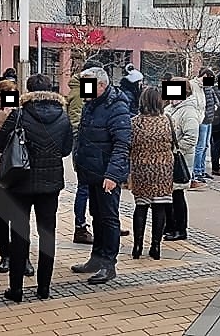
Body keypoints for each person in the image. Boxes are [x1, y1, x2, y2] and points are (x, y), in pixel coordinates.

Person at [0, 74, 73, 302]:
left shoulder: (18, 114)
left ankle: (16, 290)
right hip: (50, 184)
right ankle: (44, 288)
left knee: (19, 233)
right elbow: (66, 149)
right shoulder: (63, 116)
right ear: (51, 90)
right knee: (48, 234)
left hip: (20, 183)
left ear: (27, 90)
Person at [70, 67, 131, 285]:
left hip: (107, 174)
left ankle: (108, 263)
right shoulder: (91, 105)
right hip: (91, 172)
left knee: (109, 218)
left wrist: (113, 174)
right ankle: (96, 259)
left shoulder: (116, 106)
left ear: (102, 85)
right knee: (96, 215)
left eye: (89, 85)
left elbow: (122, 143)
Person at [0, 78, 32, 276]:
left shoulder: (23, 111)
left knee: (21, 215)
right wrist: (3, 114)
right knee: (2, 214)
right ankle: (6, 255)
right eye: (6, 95)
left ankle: (23, 256)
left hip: (19, 168)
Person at [129, 87, 174, 260]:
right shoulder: (167, 121)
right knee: (159, 207)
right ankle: (156, 246)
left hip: (141, 169)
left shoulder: (134, 122)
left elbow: (128, 145)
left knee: (141, 207)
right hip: (164, 169)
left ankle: (137, 246)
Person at [66, 59, 103, 245]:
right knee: (84, 189)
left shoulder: (85, 90)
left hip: (93, 149)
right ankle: (80, 227)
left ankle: (105, 222)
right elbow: (76, 124)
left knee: (98, 189)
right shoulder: (80, 93)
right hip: (84, 149)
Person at [163, 77, 201, 242]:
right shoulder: (170, 108)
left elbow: (191, 138)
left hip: (180, 160)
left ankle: (180, 228)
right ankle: (170, 226)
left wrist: (174, 150)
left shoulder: (188, 111)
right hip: (168, 159)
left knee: (177, 194)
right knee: (168, 195)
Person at [193, 67, 216, 182]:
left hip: (208, 119)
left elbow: (213, 100)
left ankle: (201, 169)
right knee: (200, 147)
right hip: (201, 119)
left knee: (205, 146)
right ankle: (197, 171)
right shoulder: (194, 86)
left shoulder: (207, 87)